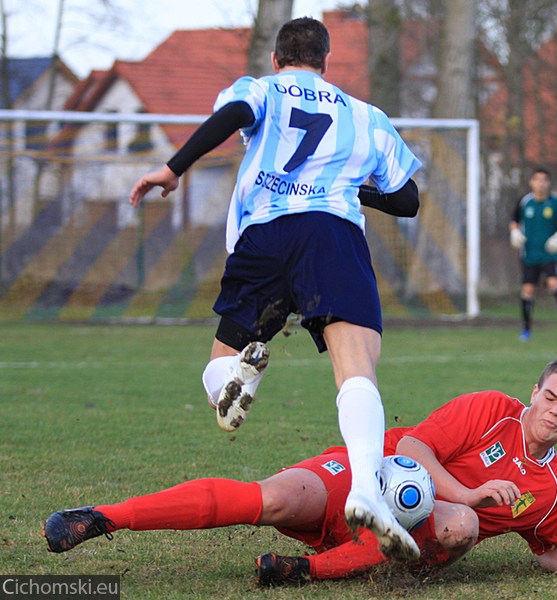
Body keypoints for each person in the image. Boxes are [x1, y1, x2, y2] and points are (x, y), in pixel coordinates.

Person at [128, 18, 422, 560]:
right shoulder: (367, 117)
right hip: (331, 235)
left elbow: (235, 115)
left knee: (215, 371)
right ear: (327, 62)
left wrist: (174, 169)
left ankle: (240, 378)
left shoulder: (260, 89)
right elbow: (407, 200)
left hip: (262, 235)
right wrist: (355, 189)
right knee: (356, 368)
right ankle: (365, 490)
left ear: (275, 58)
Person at [42, 358, 557, 586]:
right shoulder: (490, 407)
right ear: (533, 392)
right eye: (551, 398)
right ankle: (103, 517)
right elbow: (413, 445)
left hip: (414, 534)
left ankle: (306, 571)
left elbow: (546, 548)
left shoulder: (554, 491)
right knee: (276, 498)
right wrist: (474, 489)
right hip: (374, 470)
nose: (554, 414)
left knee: (460, 523)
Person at [509, 168, 557, 342]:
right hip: (530, 255)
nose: (540, 184)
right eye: (537, 180)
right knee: (528, 289)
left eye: (544, 180)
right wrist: (515, 233)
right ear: (531, 182)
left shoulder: (556, 203)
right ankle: (526, 329)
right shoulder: (525, 202)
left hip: (549, 254)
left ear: (548, 183)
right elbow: (514, 221)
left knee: (554, 284)